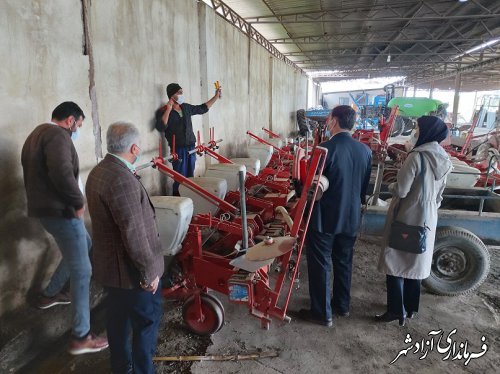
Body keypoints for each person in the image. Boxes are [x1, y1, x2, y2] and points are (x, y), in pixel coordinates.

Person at [21, 101, 108, 354]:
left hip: (46, 211)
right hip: (62, 211)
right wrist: (77, 201)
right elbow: (60, 171)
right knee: (83, 270)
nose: (78, 129)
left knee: (86, 246)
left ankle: (50, 294)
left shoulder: (36, 134)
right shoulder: (57, 136)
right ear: (71, 120)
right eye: (79, 124)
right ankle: (82, 336)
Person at [86, 122, 164, 374]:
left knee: (117, 319)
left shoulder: (99, 171)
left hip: (110, 270)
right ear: (134, 147)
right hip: (128, 273)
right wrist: (149, 273)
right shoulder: (121, 179)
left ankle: (121, 367)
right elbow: (133, 234)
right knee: (146, 321)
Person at [298, 105, 372, 327]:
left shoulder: (324, 149)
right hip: (350, 217)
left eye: (329, 119)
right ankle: (342, 305)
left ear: (333, 120)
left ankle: (322, 313)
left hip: (324, 218)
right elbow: (362, 188)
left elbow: (312, 186)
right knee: (343, 261)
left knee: (320, 264)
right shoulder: (365, 151)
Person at [376, 116, 452, 326]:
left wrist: (390, 186)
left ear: (426, 131)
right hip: (428, 215)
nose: (414, 131)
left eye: (417, 128)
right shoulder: (444, 158)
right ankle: (410, 308)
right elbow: (440, 194)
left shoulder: (417, 157)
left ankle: (395, 310)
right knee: (416, 262)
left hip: (407, 213)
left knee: (396, 262)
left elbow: (401, 189)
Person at [155, 82, 221, 195]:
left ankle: (189, 197)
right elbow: (161, 127)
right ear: (172, 96)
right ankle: (178, 198)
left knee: (190, 175)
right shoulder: (163, 111)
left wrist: (215, 97)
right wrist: (169, 109)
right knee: (180, 177)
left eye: (182, 92)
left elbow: (202, 108)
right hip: (178, 149)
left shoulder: (185, 107)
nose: (181, 95)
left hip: (191, 146)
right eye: (179, 92)